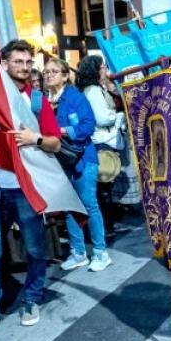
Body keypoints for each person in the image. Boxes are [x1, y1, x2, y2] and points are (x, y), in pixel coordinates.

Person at [0, 39, 62, 335]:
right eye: (18, 61)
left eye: (28, 62)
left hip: (26, 187)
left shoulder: (37, 101)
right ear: (4, 64)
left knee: (34, 248)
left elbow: (55, 143)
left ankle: (32, 299)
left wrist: (35, 139)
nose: (24, 67)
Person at [43, 56, 112, 273]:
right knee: (69, 205)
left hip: (82, 158)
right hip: (60, 160)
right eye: (46, 72)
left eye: (54, 71)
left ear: (65, 76)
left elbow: (88, 126)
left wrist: (62, 131)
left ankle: (101, 252)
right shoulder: (43, 100)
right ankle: (78, 252)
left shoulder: (75, 97)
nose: (49, 75)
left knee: (89, 204)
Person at [75, 54, 125, 230]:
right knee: (104, 184)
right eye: (103, 67)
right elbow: (102, 118)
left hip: (100, 139)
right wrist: (118, 115)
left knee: (103, 186)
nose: (105, 70)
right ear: (96, 70)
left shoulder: (91, 89)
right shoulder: (93, 91)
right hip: (102, 140)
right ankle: (107, 225)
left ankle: (107, 224)